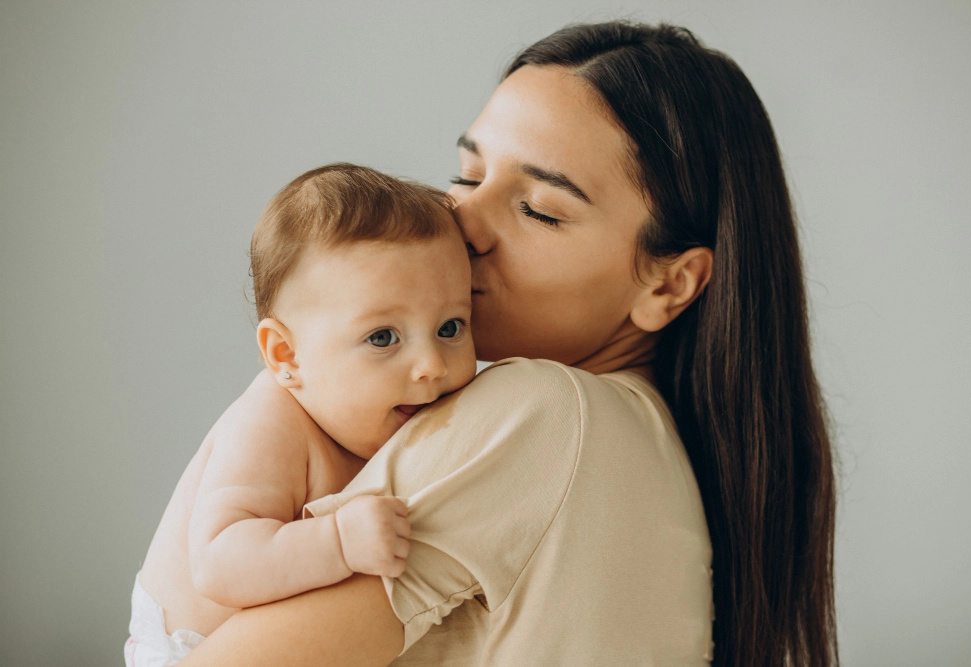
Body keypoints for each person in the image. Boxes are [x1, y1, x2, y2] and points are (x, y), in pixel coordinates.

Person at [179, 20, 838, 667]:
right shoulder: (645, 444)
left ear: (670, 284)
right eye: (467, 176)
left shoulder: (546, 414)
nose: (461, 223)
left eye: (540, 209)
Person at [127, 164, 477, 666]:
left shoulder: (397, 414)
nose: (431, 365)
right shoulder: (271, 424)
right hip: (190, 648)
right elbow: (219, 563)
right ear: (287, 356)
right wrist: (337, 540)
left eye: (450, 327)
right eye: (383, 337)